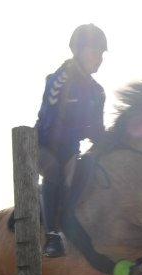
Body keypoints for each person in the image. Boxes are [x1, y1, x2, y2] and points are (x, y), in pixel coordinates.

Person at [34, 24, 108, 258]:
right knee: (54, 170)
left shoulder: (98, 92)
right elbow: (51, 122)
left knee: (91, 166)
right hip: (42, 146)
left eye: (102, 53)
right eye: (95, 51)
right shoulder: (59, 79)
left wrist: (114, 141)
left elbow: (97, 130)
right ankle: (52, 236)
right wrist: (82, 131)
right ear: (78, 50)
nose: (99, 58)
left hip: (70, 150)